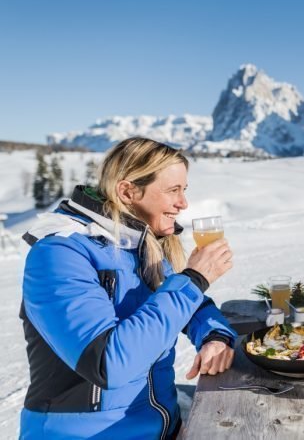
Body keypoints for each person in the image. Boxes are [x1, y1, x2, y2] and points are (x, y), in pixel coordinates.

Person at [20, 138, 237, 439]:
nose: (183, 203)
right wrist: (195, 279)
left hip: (162, 428)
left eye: (184, 190)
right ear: (128, 192)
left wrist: (213, 336)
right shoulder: (60, 253)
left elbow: (190, 304)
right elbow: (108, 364)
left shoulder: (141, 245)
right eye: (173, 190)